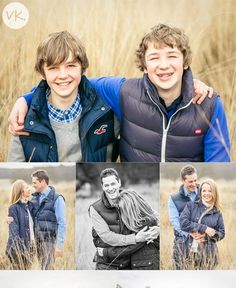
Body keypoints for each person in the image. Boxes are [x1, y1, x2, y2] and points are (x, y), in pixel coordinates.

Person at [9, 26, 229, 163]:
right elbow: (71, 84)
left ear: (186, 62)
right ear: (143, 66)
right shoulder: (124, 93)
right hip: (141, 191)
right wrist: (25, 99)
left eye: (172, 56)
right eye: (154, 58)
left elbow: (217, 168)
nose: (163, 66)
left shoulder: (208, 104)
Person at [7, 31, 118, 163]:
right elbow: (16, 171)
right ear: (42, 73)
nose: (63, 75)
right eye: (53, 68)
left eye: (70, 66)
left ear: (82, 68)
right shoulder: (26, 120)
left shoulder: (104, 111)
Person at [89, 168, 158, 270]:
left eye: (113, 184)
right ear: (102, 187)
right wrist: (135, 239)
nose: (110, 188)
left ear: (119, 183)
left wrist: (159, 229)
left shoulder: (131, 199)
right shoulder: (95, 209)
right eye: (106, 185)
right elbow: (107, 236)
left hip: (128, 263)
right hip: (107, 264)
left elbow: (154, 216)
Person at [179, 178, 225, 269]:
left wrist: (206, 236)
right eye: (204, 191)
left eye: (210, 191)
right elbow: (183, 223)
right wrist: (204, 228)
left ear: (214, 193)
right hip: (189, 252)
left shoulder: (217, 212)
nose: (206, 193)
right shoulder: (191, 206)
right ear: (200, 192)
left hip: (209, 256)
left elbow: (222, 233)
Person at [168, 165, 200, 269]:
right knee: (180, 270)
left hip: (202, 240)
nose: (194, 184)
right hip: (182, 241)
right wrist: (189, 234)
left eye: (195, 180)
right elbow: (175, 221)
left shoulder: (205, 193)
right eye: (190, 181)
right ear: (183, 180)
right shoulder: (173, 199)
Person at [6, 180, 35, 270]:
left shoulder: (30, 206)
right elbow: (14, 233)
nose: (29, 189)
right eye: (26, 187)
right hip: (17, 251)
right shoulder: (14, 208)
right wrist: (22, 251)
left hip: (30, 248)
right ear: (21, 192)